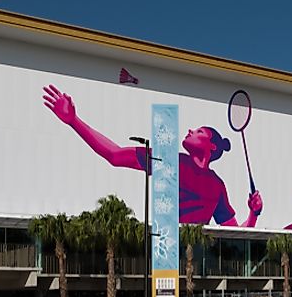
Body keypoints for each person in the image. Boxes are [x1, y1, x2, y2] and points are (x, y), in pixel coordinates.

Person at [42, 85, 262, 226]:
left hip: (194, 257)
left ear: (212, 147)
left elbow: (236, 234)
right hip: (165, 249)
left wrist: (253, 214)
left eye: (198, 132)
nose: (190, 131)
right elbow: (114, 154)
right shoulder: (168, 160)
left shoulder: (217, 185)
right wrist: (74, 121)